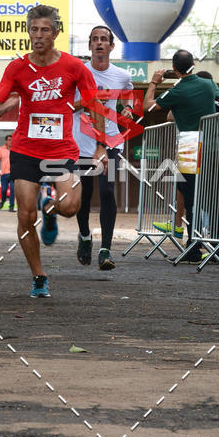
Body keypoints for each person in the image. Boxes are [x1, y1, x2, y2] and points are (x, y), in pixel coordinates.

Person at [0, 4, 107, 298]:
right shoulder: (16, 68)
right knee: (25, 217)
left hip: (61, 149)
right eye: (33, 30)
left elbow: (94, 104)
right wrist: (5, 106)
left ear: (55, 32)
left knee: (70, 207)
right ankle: (39, 276)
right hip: (26, 149)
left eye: (44, 30)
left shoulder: (74, 67)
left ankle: (50, 210)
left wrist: (102, 145)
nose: (37, 36)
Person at [145, 50, 219, 262]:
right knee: (213, 198)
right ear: (194, 64)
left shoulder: (177, 90)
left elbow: (148, 107)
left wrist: (153, 83)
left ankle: (194, 248)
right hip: (212, 148)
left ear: (175, 69)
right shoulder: (207, 84)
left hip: (189, 150)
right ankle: (217, 247)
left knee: (191, 199)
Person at [73, 25, 133, 271]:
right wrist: (84, 102)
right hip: (82, 144)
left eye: (104, 39)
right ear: (89, 46)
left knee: (108, 192)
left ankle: (106, 249)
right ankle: (85, 236)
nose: (99, 43)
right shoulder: (77, 73)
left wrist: (127, 108)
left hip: (110, 142)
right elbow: (67, 104)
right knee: (84, 197)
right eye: (95, 39)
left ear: (111, 46)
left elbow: (128, 94)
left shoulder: (122, 75)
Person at [0, 133, 15, 211]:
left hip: (13, 173)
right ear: (6, 141)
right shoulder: (1, 149)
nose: (10, 141)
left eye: (12, 140)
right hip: (4, 173)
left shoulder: (15, 149)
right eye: (9, 140)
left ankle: (11, 207)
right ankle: (3, 201)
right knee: (3, 190)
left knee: (13, 190)